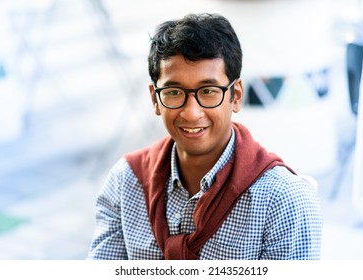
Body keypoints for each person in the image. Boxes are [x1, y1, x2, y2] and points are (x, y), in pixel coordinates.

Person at [87, 13, 323, 260]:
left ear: (237, 96)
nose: (191, 113)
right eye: (174, 92)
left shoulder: (283, 202)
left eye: (208, 91)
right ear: (155, 99)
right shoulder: (126, 182)